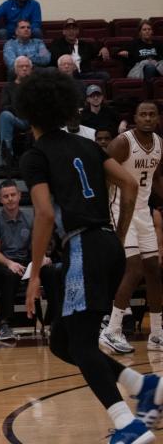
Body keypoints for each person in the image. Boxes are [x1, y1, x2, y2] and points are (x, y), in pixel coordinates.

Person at [19, 68, 163, 443]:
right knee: (62, 343)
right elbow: (130, 185)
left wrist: (34, 274)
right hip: (107, 244)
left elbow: (46, 215)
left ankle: (129, 427)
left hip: (82, 247)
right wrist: (118, 232)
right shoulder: (87, 145)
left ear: (28, 111)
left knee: (81, 345)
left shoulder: (35, 155)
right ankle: (142, 385)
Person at [100, 102, 163, 355]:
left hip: (143, 212)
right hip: (119, 209)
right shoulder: (122, 143)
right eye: (143, 114)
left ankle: (157, 334)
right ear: (135, 117)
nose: (147, 118)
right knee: (134, 268)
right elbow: (102, 173)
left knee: (153, 270)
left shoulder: (159, 143)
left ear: (158, 118)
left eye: (152, 114)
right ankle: (112, 330)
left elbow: (156, 177)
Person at [0, 180, 39, 341]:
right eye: (6, 196)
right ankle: (5, 324)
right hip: (3, 264)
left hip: (26, 263)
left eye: (13, 195)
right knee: (9, 275)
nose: (10, 199)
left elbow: (35, 247)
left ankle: (55, 322)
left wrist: (42, 259)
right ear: (0, 199)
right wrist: (10, 263)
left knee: (52, 271)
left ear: (19, 196)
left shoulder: (30, 218)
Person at [0, 56, 33, 166]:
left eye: (27, 66)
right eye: (21, 66)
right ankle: (7, 153)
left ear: (31, 69)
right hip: (18, 119)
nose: (24, 69)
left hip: (35, 120)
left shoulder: (36, 86)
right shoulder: (8, 87)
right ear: (15, 70)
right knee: (5, 115)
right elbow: (5, 106)